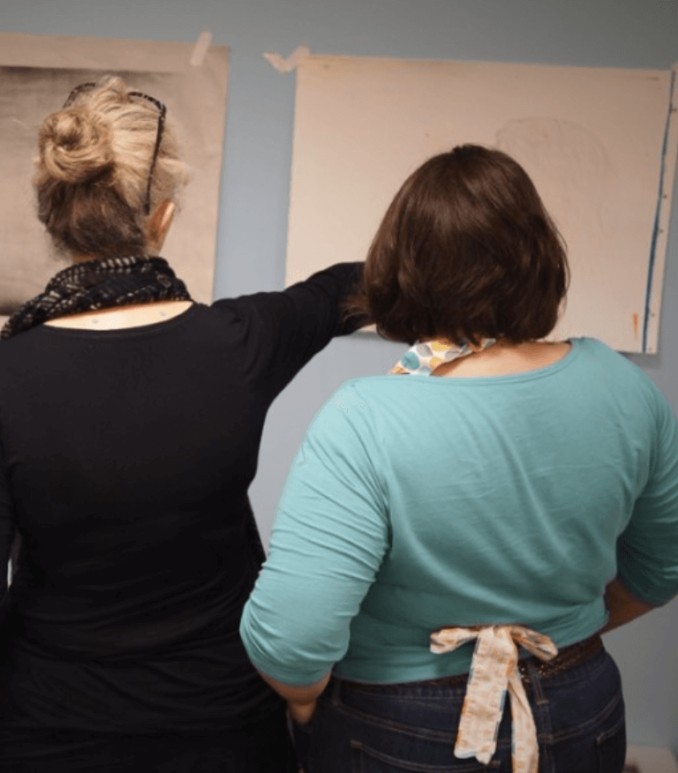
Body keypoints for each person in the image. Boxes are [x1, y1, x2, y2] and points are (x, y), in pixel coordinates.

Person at [0, 75, 367, 773]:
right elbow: (346, 289)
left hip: (56, 728)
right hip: (225, 725)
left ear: (52, 216)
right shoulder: (242, 340)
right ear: (161, 216)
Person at [240, 144, 678, 773]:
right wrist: (554, 638)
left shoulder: (366, 416)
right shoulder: (622, 385)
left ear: (399, 268)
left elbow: (291, 642)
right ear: (540, 258)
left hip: (401, 725)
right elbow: (661, 569)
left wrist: (306, 705)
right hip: (581, 703)